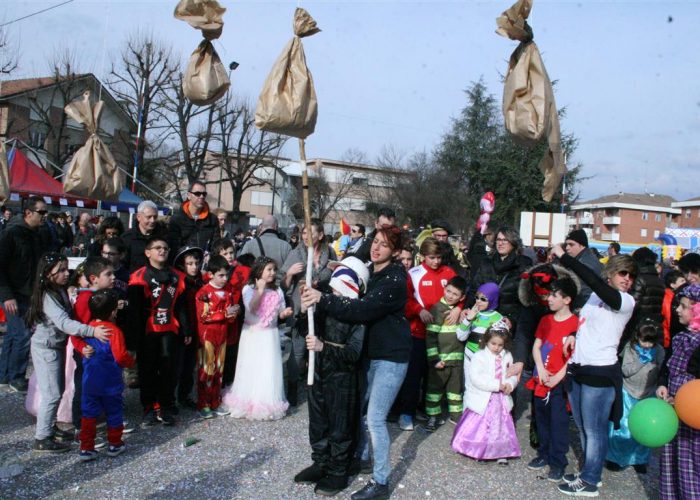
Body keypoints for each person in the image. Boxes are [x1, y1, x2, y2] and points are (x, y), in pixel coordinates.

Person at [301, 225, 411, 500]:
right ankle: (357, 460)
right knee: (359, 413)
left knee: (374, 419)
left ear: (396, 252)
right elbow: (343, 278)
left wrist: (323, 299)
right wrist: (318, 285)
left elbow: (362, 309)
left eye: (385, 245)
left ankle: (380, 482)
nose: (376, 248)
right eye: (375, 242)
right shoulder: (370, 270)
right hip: (369, 354)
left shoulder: (394, 279)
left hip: (390, 356)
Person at [551, 246, 637, 497]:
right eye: (623, 273)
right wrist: (572, 334)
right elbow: (588, 323)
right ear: (611, 273)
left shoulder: (624, 300)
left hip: (601, 373)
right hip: (580, 368)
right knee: (583, 426)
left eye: (631, 275)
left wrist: (564, 257)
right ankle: (590, 472)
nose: (627, 279)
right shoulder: (596, 298)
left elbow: (592, 280)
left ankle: (590, 480)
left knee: (594, 429)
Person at [294, 258, 369, 496]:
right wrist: (304, 312)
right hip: (318, 373)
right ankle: (321, 463)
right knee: (318, 422)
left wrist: (322, 347)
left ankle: (338, 471)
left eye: (337, 290)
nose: (331, 293)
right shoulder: (324, 306)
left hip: (342, 378)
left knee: (340, 426)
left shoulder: (358, 315)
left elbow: (353, 353)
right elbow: (304, 329)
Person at [26, 253, 111, 453]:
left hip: (56, 345)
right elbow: (64, 322)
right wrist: (92, 331)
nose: (66, 274)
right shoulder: (48, 296)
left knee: (59, 388)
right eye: (61, 270)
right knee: (52, 393)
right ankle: (42, 437)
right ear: (48, 274)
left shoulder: (59, 290)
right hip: (46, 347)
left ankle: (49, 426)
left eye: (67, 269)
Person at [398, 237, 460, 431]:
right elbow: (406, 300)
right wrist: (419, 310)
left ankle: (428, 409)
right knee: (413, 375)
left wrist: (459, 308)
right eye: (432, 257)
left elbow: (461, 294)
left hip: (442, 335)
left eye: (439, 257)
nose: (436, 261)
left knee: (435, 375)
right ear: (423, 256)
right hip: (418, 332)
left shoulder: (449, 272)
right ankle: (405, 413)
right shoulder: (414, 274)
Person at [222, 256, 293, 420]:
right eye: (269, 269)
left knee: (268, 367)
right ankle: (248, 400)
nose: (272, 273)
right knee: (250, 366)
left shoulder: (277, 290)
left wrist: (285, 313)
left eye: (274, 270)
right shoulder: (248, 288)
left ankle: (266, 401)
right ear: (259, 270)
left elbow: (279, 311)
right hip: (252, 333)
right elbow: (252, 308)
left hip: (270, 334)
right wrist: (260, 291)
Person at [128, 236, 188, 427]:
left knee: (169, 368)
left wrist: (186, 329)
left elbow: (182, 307)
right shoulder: (139, 276)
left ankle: (167, 406)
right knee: (147, 369)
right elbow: (134, 310)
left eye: (165, 248)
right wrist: (133, 337)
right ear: (148, 252)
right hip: (148, 328)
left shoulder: (177, 277)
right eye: (157, 248)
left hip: (170, 327)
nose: (162, 251)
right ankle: (148, 407)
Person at [525, 277, 579, 482]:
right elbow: (536, 346)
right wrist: (539, 368)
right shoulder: (545, 320)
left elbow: (574, 356)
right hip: (541, 379)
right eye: (549, 295)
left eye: (554, 295)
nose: (549, 299)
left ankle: (558, 462)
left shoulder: (575, 323)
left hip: (559, 383)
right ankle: (543, 454)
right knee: (541, 419)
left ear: (567, 299)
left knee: (559, 423)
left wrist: (558, 376)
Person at [281, 219, 336, 406]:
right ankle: (292, 389)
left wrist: (322, 281)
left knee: (321, 348)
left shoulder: (330, 253)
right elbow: (283, 286)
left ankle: (319, 389)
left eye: (310, 233)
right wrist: (289, 273)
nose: (306, 236)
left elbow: (336, 279)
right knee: (297, 350)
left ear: (320, 235)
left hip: (322, 308)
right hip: (301, 309)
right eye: (304, 233)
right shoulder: (296, 253)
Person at [77, 289, 135, 462]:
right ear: (112, 312)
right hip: (110, 381)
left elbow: (80, 345)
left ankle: (86, 447)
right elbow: (120, 356)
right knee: (114, 411)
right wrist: (131, 361)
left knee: (88, 414)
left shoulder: (87, 329)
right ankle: (114, 443)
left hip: (90, 381)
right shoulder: (114, 331)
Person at [451, 322, 520, 464]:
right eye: (493, 343)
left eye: (500, 345)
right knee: (481, 427)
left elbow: (512, 373)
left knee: (501, 426)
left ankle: (501, 451)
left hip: (501, 399)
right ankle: (480, 450)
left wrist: (510, 384)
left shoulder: (507, 355)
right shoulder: (479, 356)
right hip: (484, 397)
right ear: (486, 341)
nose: (496, 347)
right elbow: (476, 378)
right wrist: (496, 385)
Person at [0, 196, 49, 393]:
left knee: (14, 335)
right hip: (13, 293)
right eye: (42, 212)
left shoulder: (36, 233)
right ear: (28, 213)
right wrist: (6, 295)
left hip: (28, 292)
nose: (45, 216)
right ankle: (17, 376)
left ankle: (4, 374)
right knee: (22, 335)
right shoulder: (11, 234)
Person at [656, 284, 700, 500]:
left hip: (693, 417)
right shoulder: (681, 337)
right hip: (674, 414)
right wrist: (663, 383)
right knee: (672, 464)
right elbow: (667, 366)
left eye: (683, 307)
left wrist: (683, 399)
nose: (677, 310)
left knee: (692, 467)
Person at [605, 319, 664, 474]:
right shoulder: (630, 348)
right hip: (628, 391)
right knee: (622, 426)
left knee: (644, 427)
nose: (647, 345)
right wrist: (642, 361)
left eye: (650, 342)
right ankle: (615, 458)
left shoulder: (658, 351)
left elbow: (662, 370)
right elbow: (626, 370)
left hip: (648, 393)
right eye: (644, 341)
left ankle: (639, 459)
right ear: (637, 337)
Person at [70, 257, 115, 443]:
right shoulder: (85, 299)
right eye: (108, 274)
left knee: (101, 384)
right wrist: (81, 347)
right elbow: (75, 328)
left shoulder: (105, 295)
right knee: (84, 387)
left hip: (101, 352)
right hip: (87, 352)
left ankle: (99, 421)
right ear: (94, 278)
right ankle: (80, 427)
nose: (113, 278)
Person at [195, 255, 238, 419]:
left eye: (226, 275)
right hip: (207, 336)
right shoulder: (203, 292)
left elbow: (230, 315)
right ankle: (203, 403)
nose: (225, 278)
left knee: (219, 369)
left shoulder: (228, 292)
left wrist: (233, 313)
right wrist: (226, 314)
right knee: (206, 369)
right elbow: (204, 316)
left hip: (222, 335)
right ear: (210, 274)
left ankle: (215, 401)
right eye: (221, 275)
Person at [424, 276, 468, 430]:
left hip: (456, 361)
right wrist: (434, 359)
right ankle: (432, 417)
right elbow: (430, 337)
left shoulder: (461, 312)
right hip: (440, 361)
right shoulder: (437, 309)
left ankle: (457, 418)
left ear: (462, 298)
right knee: (434, 390)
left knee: (455, 391)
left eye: (455, 294)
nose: (450, 296)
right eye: (448, 291)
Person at [471, 226, 532, 329]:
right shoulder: (486, 263)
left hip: (505, 321)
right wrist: (467, 309)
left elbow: (526, 300)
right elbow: (474, 289)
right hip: (484, 319)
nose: (500, 243)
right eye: (498, 239)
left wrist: (513, 319)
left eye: (505, 240)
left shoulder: (523, 265)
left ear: (514, 242)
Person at [173, 246, 205, 409]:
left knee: (189, 365)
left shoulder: (201, 281)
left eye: (196, 263)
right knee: (177, 365)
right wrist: (185, 330)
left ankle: (184, 395)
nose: (194, 267)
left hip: (197, 328)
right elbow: (180, 309)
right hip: (182, 330)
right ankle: (171, 398)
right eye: (189, 264)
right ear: (182, 265)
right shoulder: (180, 282)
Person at [456, 283, 503, 392]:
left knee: (483, 390)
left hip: (486, 361)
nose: (478, 301)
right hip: (469, 359)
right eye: (477, 297)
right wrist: (468, 318)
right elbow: (460, 336)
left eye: (483, 299)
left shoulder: (498, 318)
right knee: (468, 389)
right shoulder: (472, 313)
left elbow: (500, 345)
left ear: (492, 299)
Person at [621, 247, 665, 347]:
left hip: (636, 326)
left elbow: (632, 304)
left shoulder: (639, 279)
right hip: (653, 325)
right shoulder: (659, 281)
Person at [168, 181, 218, 254]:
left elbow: (216, 244)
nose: (201, 196)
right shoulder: (176, 219)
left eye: (204, 194)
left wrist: (211, 256)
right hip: (184, 262)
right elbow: (174, 246)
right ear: (189, 195)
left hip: (206, 263)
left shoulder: (212, 219)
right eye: (197, 194)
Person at [122, 201, 169, 273]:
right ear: (139, 217)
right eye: (149, 217)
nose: (152, 220)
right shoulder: (127, 238)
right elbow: (123, 264)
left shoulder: (164, 236)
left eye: (155, 217)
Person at [563, 228, 604, 308]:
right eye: (566, 245)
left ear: (582, 245)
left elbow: (584, 294)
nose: (567, 248)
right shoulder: (584, 259)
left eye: (571, 244)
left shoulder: (584, 263)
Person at [661, 270, 686, 350]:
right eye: (682, 281)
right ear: (672, 285)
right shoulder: (669, 298)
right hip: (669, 335)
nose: (685, 283)